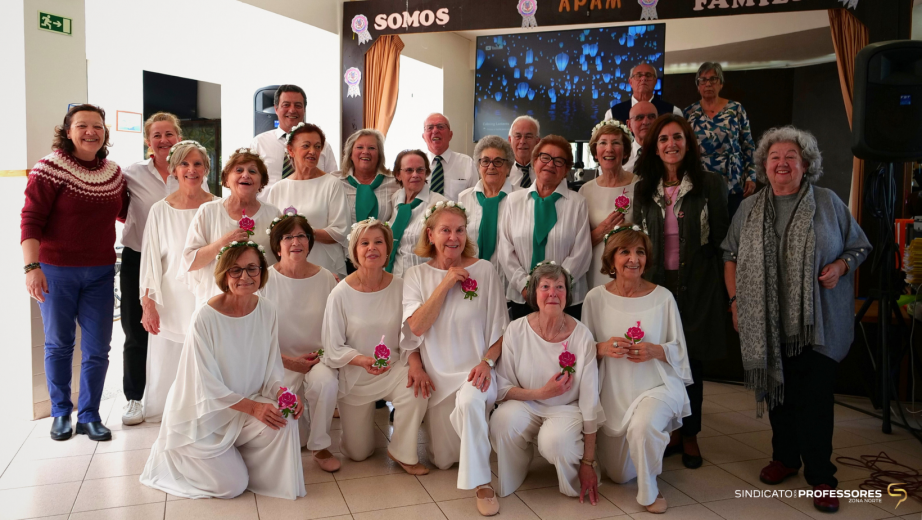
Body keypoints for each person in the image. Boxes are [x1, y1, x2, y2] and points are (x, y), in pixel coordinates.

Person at [722, 126, 871, 514]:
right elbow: (730, 256)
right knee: (779, 397)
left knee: (816, 401)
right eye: (774, 158)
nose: (782, 163)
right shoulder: (748, 207)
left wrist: (840, 266)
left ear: (806, 165)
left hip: (817, 323)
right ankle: (785, 459)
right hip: (765, 322)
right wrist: (736, 299)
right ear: (764, 167)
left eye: (791, 157)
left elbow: (860, 246)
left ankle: (821, 475)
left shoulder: (828, 202)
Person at [139, 242, 306, 500]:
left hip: (243, 407)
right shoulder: (205, 317)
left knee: (285, 420)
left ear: (261, 272)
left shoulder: (267, 310)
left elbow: (272, 367)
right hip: (204, 417)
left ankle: (244, 461)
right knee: (232, 486)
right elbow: (205, 385)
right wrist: (254, 408)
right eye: (235, 270)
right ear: (223, 275)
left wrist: (283, 393)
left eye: (252, 268)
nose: (245, 277)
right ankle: (198, 459)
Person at [21, 104, 128, 441]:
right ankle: (60, 413)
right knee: (59, 345)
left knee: (98, 348)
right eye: (82, 126)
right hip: (56, 272)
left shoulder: (113, 173)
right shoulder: (49, 169)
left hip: (99, 273)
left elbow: (128, 212)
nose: (90, 132)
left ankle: (90, 415)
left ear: (104, 133)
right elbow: (31, 220)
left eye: (97, 126)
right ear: (68, 131)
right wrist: (32, 266)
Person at [632, 114, 729, 470]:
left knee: (691, 364)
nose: (670, 144)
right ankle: (671, 432)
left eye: (677, 137)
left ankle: (690, 435)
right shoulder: (643, 189)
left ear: (687, 144)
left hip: (699, 286)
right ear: (654, 148)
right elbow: (637, 243)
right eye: (663, 139)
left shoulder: (711, 184)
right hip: (657, 289)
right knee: (662, 362)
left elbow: (722, 241)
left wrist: (723, 292)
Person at [401, 202, 508, 516]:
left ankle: (483, 484)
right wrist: (446, 282)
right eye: (445, 230)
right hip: (438, 378)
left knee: (470, 403)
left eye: (459, 230)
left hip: (478, 372)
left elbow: (502, 330)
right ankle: (475, 446)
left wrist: (487, 362)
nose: (453, 237)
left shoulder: (485, 270)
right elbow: (416, 326)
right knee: (444, 460)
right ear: (430, 235)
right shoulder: (415, 275)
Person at [582, 226, 692, 514]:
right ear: (611, 259)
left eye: (640, 252)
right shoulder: (594, 298)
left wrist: (657, 350)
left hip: (656, 386)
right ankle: (643, 456)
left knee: (643, 427)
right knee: (618, 475)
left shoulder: (663, 297)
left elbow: (680, 349)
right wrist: (602, 348)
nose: (634, 259)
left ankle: (649, 490)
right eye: (625, 251)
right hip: (613, 392)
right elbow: (583, 350)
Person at [321, 218, 430, 475]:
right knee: (358, 454)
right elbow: (331, 345)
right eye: (364, 243)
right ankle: (357, 437)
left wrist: (416, 365)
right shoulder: (340, 293)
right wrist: (361, 360)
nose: (372, 248)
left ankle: (402, 451)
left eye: (378, 242)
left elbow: (410, 335)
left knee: (418, 387)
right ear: (354, 251)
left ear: (388, 249)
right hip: (356, 375)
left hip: (393, 370)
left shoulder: (402, 287)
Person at [490, 262, 604, 503]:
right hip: (527, 403)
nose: (553, 292)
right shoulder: (516, 329)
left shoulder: (582, 335)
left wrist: (588, 460)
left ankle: (576, 474)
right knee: (502, 420)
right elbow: (502, 388)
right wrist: (542, 393)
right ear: (534, 293)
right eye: (545, 286)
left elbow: (590, 400)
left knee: (554, 442)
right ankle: (517, 468)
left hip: (567, 408)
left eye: (559, 287)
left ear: (568, 294)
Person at [138, 140, 216, 423]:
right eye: (184, 163)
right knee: (170, 360)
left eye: (197, 164)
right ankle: (173, 413)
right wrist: (148, 303)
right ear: (173, 170)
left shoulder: (218, 206)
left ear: (206, 169)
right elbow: (150, 261)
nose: (191, 170)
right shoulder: (160, 210)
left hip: (209, 294)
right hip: (171, 297)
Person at [259, 212, 340, 472]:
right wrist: (288, 362)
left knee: (325, 381)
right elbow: (256, 335)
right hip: (278, 362)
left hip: (317, 358)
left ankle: (321, 445)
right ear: (277, 245)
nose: (296, 242)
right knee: (285, 433)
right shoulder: (264, 280)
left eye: (302, 236)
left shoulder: (326, 277)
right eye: (288, 237)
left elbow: (334, 325)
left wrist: (321, 357)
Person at [120, 112, 186, 426]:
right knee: (136, 330)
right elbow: (119, 208)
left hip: (175, 262)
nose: (163, 141)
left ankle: (174, 394)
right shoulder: (131, 173)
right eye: (157, 135)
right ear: (148, 141)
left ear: (179, 137)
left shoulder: (187, 172)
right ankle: (134, 398)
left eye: (169, 134)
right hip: (136, 258)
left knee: (174, 326)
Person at [498, 135, 592, 321]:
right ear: (534, 161)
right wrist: (526, 287)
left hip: (565, 299)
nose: (551, 164)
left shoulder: (578, 203)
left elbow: (582, 254)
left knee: (564, 349)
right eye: (545, 157)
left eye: (559, 161)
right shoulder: (513, 201)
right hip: (523, 297)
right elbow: (505, 250)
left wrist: (554, 289)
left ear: (566, 169)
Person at [182, 148, 280, 307]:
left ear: (262, 182)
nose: (246, 175)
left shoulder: (273, 213)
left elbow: (282, 261)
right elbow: (189, 262)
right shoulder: (208, 211)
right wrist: (222, 243)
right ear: (226, 179)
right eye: (239, 170)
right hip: (216, 300)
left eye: (253, 171)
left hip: (260, 302)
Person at [264, 123, 349, 279]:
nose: (313, 151)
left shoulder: (332, 184)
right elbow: (273, 233)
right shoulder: (279, 188)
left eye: (317, 147)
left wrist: (300, 234)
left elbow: (340, 231)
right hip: (289, 269)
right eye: (306, 146)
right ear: (291, 150)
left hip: (325, 265)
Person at [684, 62, 757, 218]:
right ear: (698, 86)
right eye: (703, 80)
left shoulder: (736, 109)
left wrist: (751, 175)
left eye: (713, 79)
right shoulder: (689, 113)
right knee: (703, 229)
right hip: (700, 180)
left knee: (731, 228)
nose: (708, 84)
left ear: (721, 83)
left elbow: (748, 145)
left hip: (732, 181)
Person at [579, 120, 638, 290]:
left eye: (616, 143)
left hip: (630, 269)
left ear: (625, 151)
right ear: (595, 152)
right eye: (603, 143)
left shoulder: (639, 186)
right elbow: (575, 244)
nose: (609, 149)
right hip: (595, 271)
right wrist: (601, 231)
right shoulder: (585, 191)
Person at [250, 84, 338, 194]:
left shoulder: (322, 146)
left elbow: (333, 183)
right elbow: (249, 181)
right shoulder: (259, 143)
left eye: (298, 105)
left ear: (304, 110)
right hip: (270, 209)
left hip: (311, 208)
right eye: (286, 105)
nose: (292, 110)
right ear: (276, 109)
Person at [458, 135, 517, 292]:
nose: (491, 166)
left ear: (508, 167)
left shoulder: (521, 199)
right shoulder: (464, 198)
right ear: (478, 165)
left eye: (498, 161)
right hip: (471, 282)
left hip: (510, 285)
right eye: (485, 161)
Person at [386, 150, 448, 277]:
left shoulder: (439, 204)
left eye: (420, 170)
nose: (415, 175)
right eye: (409, 170)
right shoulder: (395, 199)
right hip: (396, 278)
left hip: (426, 279)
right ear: (398, 175)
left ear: (426, 173)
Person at [337, 128, 399, 227]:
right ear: (350, 154)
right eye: (359, 147)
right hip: (343, 242)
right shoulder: (335, 181)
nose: (365, 152)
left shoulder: (396, 182)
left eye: (371, 148)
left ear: (379, 155)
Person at [423, 113, 478, 201]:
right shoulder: (416, 165)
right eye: (430, 127)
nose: (435, 131)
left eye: (440, 126)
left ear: (450, 135)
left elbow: (475, 200)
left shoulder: (467, 163)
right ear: (423, 137)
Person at [604, 63, 682, 123]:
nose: (644, 78)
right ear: (630, 82)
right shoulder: (613, 114)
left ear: (655, 81)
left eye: (648, 75)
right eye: (639, 75)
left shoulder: (672, 112)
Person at [507, 116, 541, 189]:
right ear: (510, 140)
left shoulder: (545, 170)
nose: (522, 141)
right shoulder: (502, 170)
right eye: (518, 136)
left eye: (528, 137)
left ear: (537, 141)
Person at [625, 101, 657, 173]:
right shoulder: (621, 156)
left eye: (651, 117)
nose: (646, 122)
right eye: (640, 117)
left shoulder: (668, 154)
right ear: (629, 125)